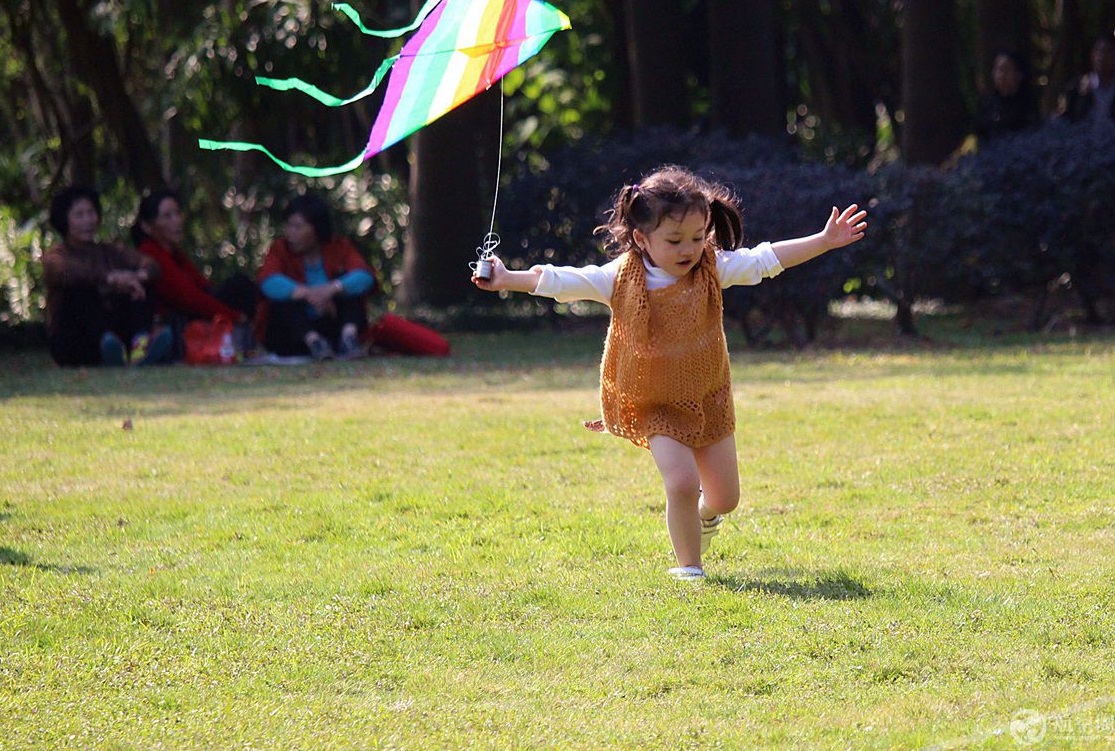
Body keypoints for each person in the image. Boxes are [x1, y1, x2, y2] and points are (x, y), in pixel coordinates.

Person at [472, 166, 867, 581]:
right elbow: (557, 280)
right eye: (675, 240)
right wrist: (506, 280)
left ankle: (704, 518)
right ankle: (689, 570)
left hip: (706, 396)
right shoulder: (619, 277)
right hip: (653, 403)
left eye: (698, 238)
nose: (689, 249)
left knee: (725, 498)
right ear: (641, 238)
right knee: (681, 482)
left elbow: (763, 260)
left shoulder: (712, 268)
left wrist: (824, 241)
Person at [42, 185, 172, 367]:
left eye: (91, 213)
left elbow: (150, 265)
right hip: (76, 342)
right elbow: (66, 273)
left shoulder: (110, 251)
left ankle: (140, 346)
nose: (87, 220)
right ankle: (108, 344)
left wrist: (137, 277)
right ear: (64, 220)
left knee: (141, 284)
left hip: (117, 332)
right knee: (79, 290)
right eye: (79, 215)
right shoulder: (56, 255)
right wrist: (110, 279)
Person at [133, 190, 258, 354]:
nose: (177, 221)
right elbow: (189, 298)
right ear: (147, 226)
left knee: (240, 286)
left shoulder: (174, 253)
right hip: (176, 320)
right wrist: (233, 316)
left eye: (178, 213)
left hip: (190, 312)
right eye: (167, 216)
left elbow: (203, 286)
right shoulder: (150, 253)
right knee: (239, 288)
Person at [256, 195, 376, 360]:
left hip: (331, 323)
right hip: (294, 334)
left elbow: (364, 277)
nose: (291, 233)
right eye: (289, 225)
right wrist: (308, 294)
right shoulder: (279, 249)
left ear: (317, 229)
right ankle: (314, 342)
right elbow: (267, 281)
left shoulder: (340, 247)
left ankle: (349, 338)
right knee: (284, 297)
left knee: (347, 286)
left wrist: (332, 289)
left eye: (298, 227)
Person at [975, 51, 1040, 143]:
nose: (1001, 75)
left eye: (1006, 69)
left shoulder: (1027, 103)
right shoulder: (986, 102)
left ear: (1019, 75)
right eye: (997, 69)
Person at [1061, 31, 1115, 138]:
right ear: (1093, 55)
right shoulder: (1077, 88)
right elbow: (1066, 120)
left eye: (1108, 52)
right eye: (1099, 51)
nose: (1102, 57)